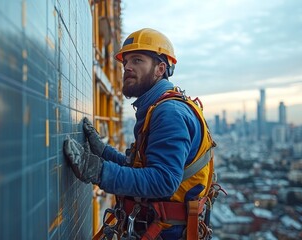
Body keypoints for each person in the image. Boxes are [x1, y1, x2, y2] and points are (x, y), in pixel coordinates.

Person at [63, 28, 220, 240]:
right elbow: (143, 169)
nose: (127, 67)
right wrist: (104, 152)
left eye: (137, 60)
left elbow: (163, 180)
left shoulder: (168, 112)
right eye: (125, 62)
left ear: (160, 68)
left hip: (166, 231)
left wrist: (98, 171)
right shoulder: (155, 108)